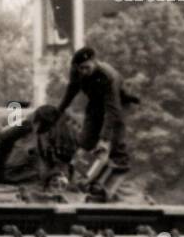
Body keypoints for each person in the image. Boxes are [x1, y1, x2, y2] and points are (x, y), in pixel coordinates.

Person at [55, 46, 135, 174]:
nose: (84, 71)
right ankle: (81, 177)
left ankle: (113, 181)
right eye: (81, 68)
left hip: (117, 103)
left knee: (115, 144)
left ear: (95, 62)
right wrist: (58, 111)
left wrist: (104, 139)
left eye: (87, 67)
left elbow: (111, 110)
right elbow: (71, 91)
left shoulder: (108, 76)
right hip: (96, 103)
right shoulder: (76, 71)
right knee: (85, 140)